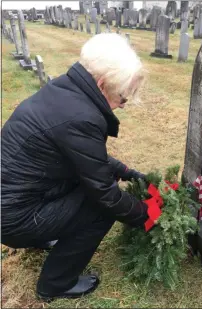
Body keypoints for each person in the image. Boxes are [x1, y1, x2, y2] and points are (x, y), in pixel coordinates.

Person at [1, 34, 160, 301]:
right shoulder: (82, 117)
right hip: (13, 218)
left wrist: (127, 172)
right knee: (99, 210)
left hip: (13, 200)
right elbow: (106, 196)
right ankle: (56, 284)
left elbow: (83, 158)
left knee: (85, 185)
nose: (123, 105)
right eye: (122, 97)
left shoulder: (63, 92)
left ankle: (44, 236)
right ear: (102, 84)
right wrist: (149, 216)